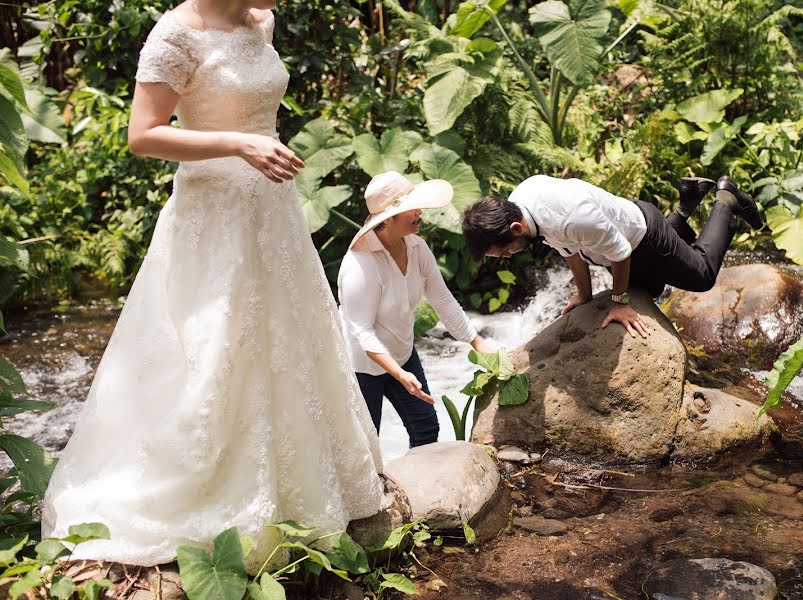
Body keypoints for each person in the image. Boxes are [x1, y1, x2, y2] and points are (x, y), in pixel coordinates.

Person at [41, 0, 385, 570]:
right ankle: (210, 495)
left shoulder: (259, 21)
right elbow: (143, 136)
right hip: (213, 216)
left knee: (288, 344)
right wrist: (238, 143)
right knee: (214, 348)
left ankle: (305, 488)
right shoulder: (176, 35)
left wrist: (258, 145)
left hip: (272, 211)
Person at [461, 175, 764, 339]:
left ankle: (726, 199)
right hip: (618, 229)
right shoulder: (520, 203)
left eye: (504, 250)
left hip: (644, 238)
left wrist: (619, 304)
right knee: (649, 291)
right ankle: (686, 203)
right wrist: (584, 296)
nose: (506, 257)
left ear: (515, 228)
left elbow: (620, 252)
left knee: (701, 276)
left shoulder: (571, 217)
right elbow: (570, 251)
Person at [338, 171, 490, 448]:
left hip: (402, 352)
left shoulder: (417, 247)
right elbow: (362, 332)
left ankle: (415, 490)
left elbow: (442, 300)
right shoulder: (359, 266)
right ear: (388, 220)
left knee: (426, 429)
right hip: (361, 367)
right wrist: (399, 374)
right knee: (367, 445)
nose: (420, 211)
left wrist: (477, 342)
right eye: (411, 208)